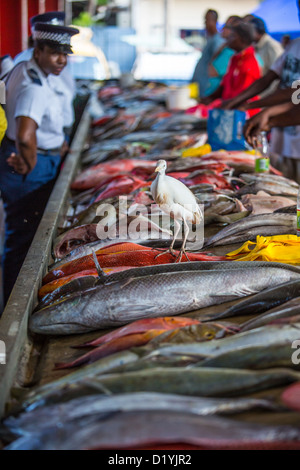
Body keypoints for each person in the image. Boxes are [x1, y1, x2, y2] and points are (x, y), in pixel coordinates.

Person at [0, 22, 79, 305]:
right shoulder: (34, 84)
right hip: (34, 165)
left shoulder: (27, 70)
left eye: (65, 54)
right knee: (24, 238)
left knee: (20, 234)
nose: (62, 60)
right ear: (39, 50)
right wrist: (29, 162)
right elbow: (25, 134)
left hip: (34, 155)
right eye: (56, 53)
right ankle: (13, 304)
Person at [221, 0, 300, 179]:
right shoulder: (294, 46)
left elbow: (294, 93)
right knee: (282, 187)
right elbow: (268, 80)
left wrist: (258, 108)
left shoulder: (268, 48)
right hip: (283, 133)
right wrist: (241, 103)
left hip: (289, 126)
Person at [200, 22, 261, 116]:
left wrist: (225, 104)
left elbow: (245, 94)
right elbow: (224, 85)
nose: (229, 38)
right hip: (229, 110)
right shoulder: (234, 59)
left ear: (243, 39)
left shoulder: (250, 62)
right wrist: (210, 98)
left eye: (233, 36)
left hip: (243, 114)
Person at [204, 15, 241, 97]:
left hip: (219, 98)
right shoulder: (225, 48)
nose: (223, 29)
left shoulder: (230, 51)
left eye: (227, 27)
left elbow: (212, 72)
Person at [191, 9, 224, 98]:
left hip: (207, 89)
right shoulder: (211, 39)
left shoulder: (217, 41)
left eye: (207, 20)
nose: (205, 23)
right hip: (200, 87)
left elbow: (216, 66)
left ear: (214, 21)